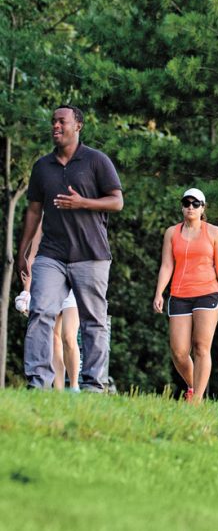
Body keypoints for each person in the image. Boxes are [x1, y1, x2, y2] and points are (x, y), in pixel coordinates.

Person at [17, 105, 123, 392]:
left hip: (91, 255)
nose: (56, 126)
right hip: (51, 254)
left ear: (78, 126)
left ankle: (92, 385)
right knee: (41, 313)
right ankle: (37, 383)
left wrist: (83, 203)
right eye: (53, 121)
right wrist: (24, 250)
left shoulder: (96, 161)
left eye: (61, 121)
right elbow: (33, 211)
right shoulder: (42, 166)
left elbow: (116, 201)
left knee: (94, 322)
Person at [153, 188, 218, 403]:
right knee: (178, 352)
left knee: (201, 346)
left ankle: (196, 399)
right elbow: (167, 265)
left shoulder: (214, 233)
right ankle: (193, 386)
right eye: (186, 203)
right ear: (182, 206)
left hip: (208, 293)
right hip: (179, 294)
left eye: (195, 204)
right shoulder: (172, 232)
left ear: (203, 207)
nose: (190, 207)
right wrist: (159, 292)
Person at [15, 225, 81, 392]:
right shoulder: (47, 216)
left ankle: (74, 387)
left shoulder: (78, 212)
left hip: (74, 281)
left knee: (68, 336)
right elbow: (32, 257)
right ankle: (57, 390)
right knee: (54, 338)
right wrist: (27, 292)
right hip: (51, 280)